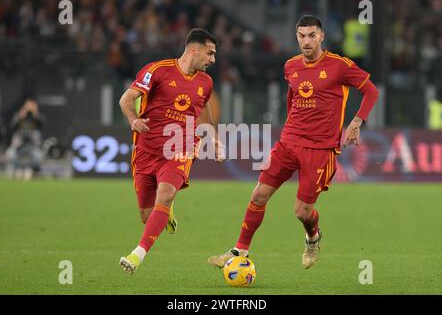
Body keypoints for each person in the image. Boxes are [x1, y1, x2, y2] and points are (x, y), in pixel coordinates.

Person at [208, 15, 379, 269]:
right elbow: (292, 96)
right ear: (296, 36)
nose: (306, 41)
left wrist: (355, 123)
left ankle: (313, 237)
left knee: (302, 212)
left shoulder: (339, 66)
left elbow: (371, 91)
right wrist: (292, 126)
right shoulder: (290, 66)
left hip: (320, 149)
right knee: (258, 195)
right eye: (302, 36)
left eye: (312, 35)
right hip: (289, 143)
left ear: (321, 36)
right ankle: (239, 251)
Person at [119, 28, 224, 274]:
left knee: (164, 195)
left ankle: (137, 255)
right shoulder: (157, 70)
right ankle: (167, 211)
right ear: (193, 50)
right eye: (210, 53)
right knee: (148, 216)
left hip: (181, 148)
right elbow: (126, 99)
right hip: (146, 149)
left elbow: (204, 114)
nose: (213, 60)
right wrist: (134, 120)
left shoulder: (206, 83)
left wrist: (215, 140)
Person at [5, 98, 45, 181]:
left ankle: (33, 173)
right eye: (28, 107)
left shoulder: (36, 117)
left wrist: (35, 114)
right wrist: (20, 116)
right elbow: (12, 126)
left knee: (39, 156)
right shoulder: (19, 115)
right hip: (19, 145)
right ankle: (13, 172)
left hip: (32, 146)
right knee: (10, 154)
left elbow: (42, 125)